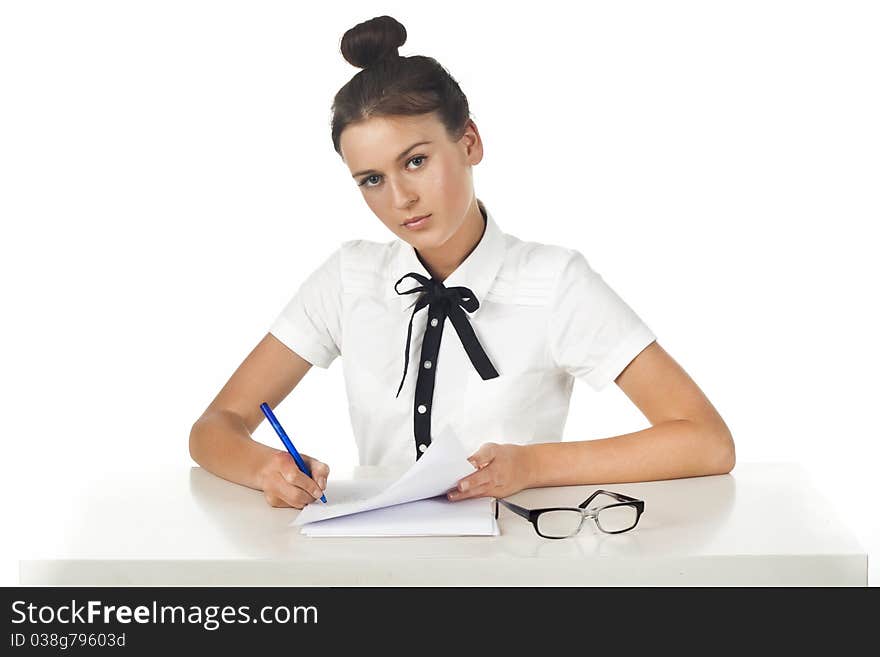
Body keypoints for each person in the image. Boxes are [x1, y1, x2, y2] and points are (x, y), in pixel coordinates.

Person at [189, 15, 735, 510]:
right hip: (375, 566)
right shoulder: (347, 279)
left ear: (469, 141)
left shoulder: (553, 282)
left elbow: (704, 439)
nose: (400, 197)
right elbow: (216, 426)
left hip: (517, 562)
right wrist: (267, 469)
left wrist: (534, 465)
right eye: (372, 180)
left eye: (417, 161)